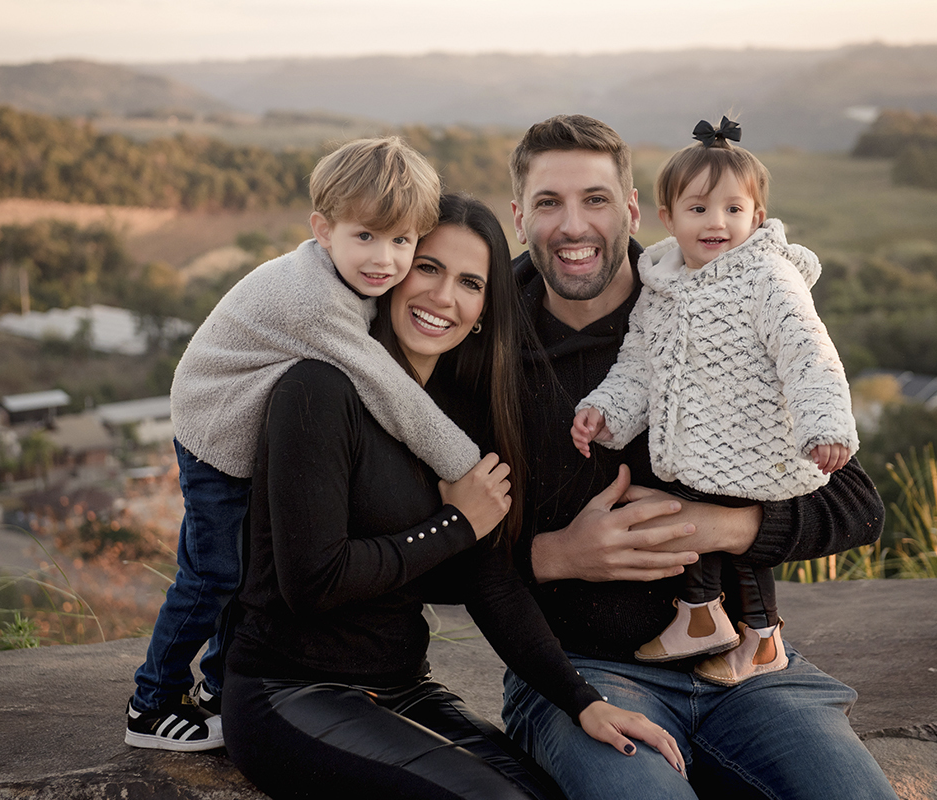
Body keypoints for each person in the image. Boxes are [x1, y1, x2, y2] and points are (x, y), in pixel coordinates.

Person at [222, 193, 685, 800]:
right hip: (289, 692)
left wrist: (583, 702)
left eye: (471, 283)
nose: (444, 299)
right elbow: (313, 581)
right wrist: (456, 524)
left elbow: (490, 581)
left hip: (404, 688)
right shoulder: (319, 388)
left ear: (486, 309)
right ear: (392, 270)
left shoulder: (460, 418)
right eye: (430, 268)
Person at [503, 115, 898, 799]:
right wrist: (557, 556)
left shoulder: (730, 302)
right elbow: (427, 554)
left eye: (595, 199)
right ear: (519, 216)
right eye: (548, 203)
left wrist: (722, 528)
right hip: (581, 673)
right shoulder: (488, 346)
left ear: (630, 211)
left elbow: (856, 507)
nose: (573, 225)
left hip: (750, 672)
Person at [126, 137, 484, 751]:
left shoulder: (338, 276)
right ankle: (151, 702)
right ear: (323, 228)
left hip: (236, 414)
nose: (384, 260)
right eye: (366, 237)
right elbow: (387, 390)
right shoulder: (314, 300)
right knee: (212, 573)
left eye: (402, 242)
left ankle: (214, 686)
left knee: (239, 568)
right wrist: (462, 465)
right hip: (216, 429)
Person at [570, 117, 859, 684]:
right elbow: (639, 365)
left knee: (745, 548)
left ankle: (763, 639)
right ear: (667, 218)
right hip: (690, 445)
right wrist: (607, 411)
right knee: (684, 512)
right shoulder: (661, 286)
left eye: (734, 209)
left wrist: (824, 425)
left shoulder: (769, 280)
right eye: (698, 209)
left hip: (755, 442)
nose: (717, 222)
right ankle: (700, 616)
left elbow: (809, 354)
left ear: (757, 216)